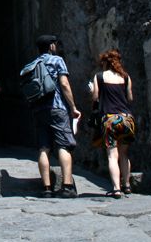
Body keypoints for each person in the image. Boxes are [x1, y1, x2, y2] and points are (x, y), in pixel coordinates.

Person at [28, 34, 81, 198]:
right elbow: (64, 84)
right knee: (64, 146)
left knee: (44, 148)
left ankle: (47, 189)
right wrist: (73, 107)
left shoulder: (32, 64)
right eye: (55, 44)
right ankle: (66, 186)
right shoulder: (57, 60)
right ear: (51, 46)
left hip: (39, 110)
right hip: (57, 107)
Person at [90, 48, 136, 198]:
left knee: (112, 155)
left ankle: (116, 188)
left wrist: (92, 90)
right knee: (124, 154)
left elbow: (95, 97)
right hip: (127, 119)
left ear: (105, 62)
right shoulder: (126, 77)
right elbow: (130, 98)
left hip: (109, 119)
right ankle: (127, 185)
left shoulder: (99, 77)